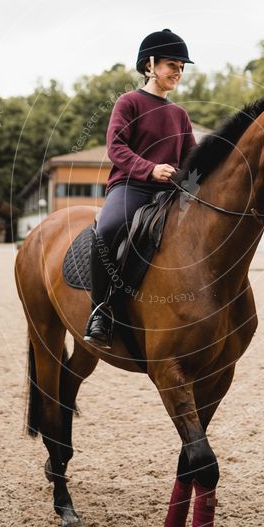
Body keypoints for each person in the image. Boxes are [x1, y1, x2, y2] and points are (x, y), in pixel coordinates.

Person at [84, 29, 197, 346]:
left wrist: (194, 183)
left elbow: (192, 158)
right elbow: (116, 149)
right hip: (131, 187)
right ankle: (101, 312)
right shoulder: (129, 102)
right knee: (108, 228)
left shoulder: (180, 114)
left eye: (181, 67)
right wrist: (151, 169)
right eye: (172, 65)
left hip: (169, 193)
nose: (178, 72)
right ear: (150, 65)